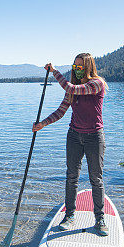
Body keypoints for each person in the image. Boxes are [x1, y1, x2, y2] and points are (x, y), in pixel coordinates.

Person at [33, 53, 109, 236]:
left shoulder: (97, 83)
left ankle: (99, 219)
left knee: (95, 179)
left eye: (81, 66)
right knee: (71, 177)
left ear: (89, 67)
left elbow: (71, 87)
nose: (77, 68)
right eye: (75, 65)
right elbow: (61, 111)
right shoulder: (72, 90)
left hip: (94, 137)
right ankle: (69, 216)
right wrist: (43, 123)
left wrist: (55, 72)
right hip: (74, 136)